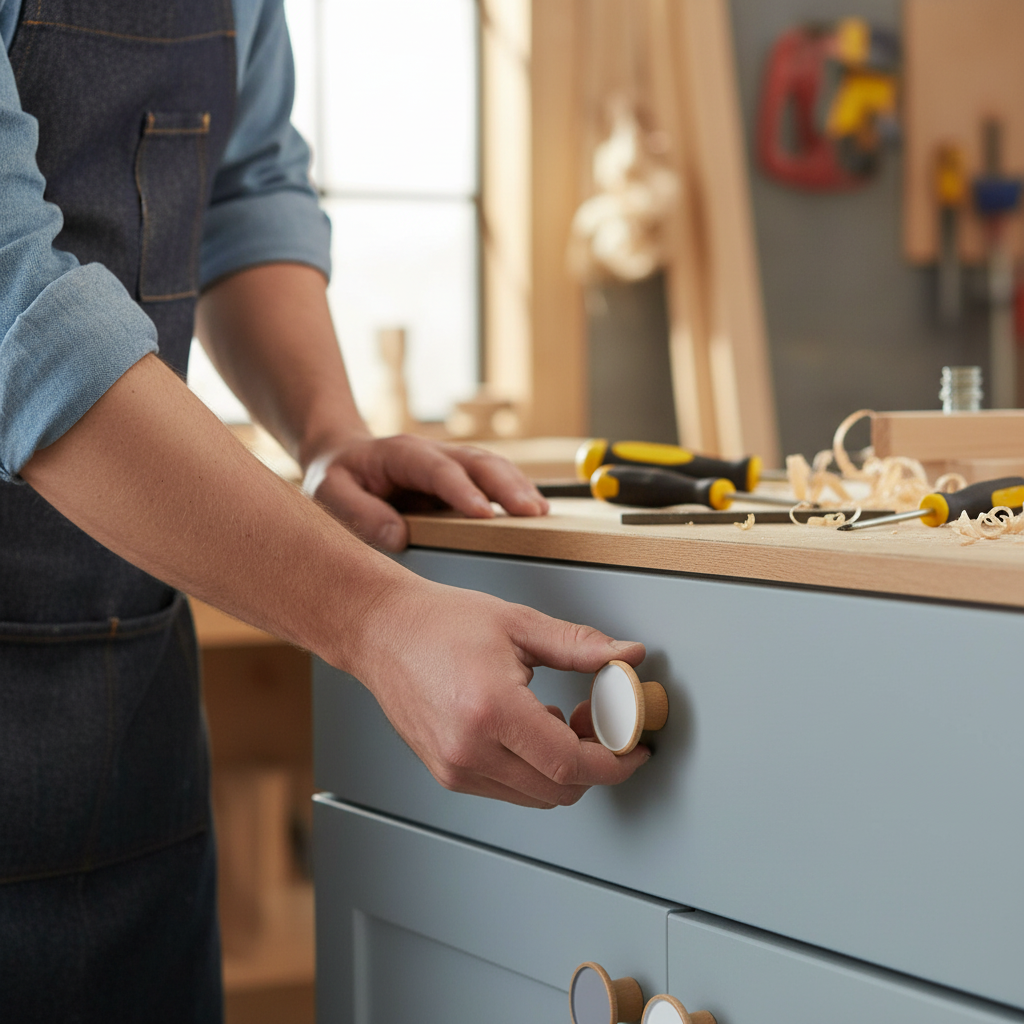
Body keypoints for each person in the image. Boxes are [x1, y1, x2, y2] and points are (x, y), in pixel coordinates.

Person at [0, 1, 650, 1019]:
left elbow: (240, 189)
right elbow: (17, 314)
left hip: (119, 716)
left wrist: (328, 433)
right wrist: (377, 619)